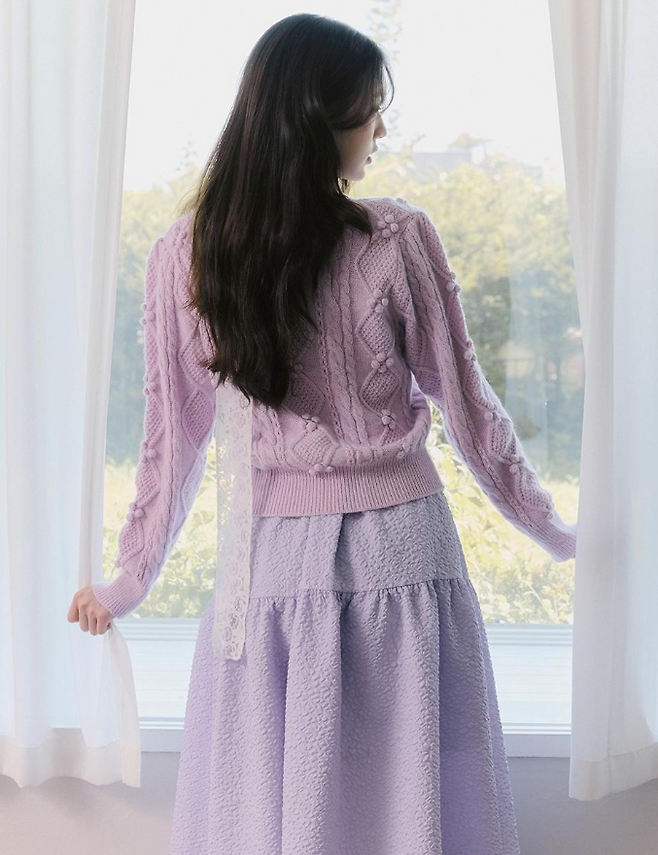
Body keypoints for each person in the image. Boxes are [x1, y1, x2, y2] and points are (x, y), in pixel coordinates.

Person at [68, 12, 576, 854]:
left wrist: (131, 577)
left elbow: (173, 441)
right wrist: (556, 532)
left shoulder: (187, 254)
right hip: (400, 561)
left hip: (273, 572)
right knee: (408, 807)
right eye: (370, 113)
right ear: (317, 123)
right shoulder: (395, 237)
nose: (381, 132)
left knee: (283, 814)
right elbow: (470, 407)